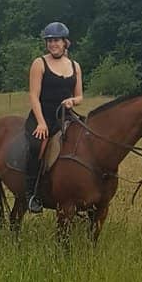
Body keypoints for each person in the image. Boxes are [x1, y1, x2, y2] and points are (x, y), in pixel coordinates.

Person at [25, 22, 83, 214]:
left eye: (56, 40)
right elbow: (33, 96)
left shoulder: (75, 66)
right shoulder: (39, 63)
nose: (52, 44)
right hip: (42, 116)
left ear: (65, 42)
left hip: (66, 116)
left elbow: (80, 97)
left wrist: (72, 101)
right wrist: (41, 123)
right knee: (37, 145)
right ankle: (31, 193)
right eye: (49, 41)